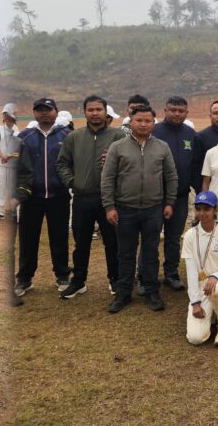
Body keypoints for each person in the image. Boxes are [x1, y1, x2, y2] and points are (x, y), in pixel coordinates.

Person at [103, 105, 179, 313]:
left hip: (153, 210)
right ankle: (123, 293)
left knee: (150, 253)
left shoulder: (162, 147)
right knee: (125, 253)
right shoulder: (117, 147)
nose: (144, 124)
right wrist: (109, 206)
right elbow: (108, 178)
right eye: (139, 120)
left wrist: (170, 202)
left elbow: (171, 177)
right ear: (131, 121)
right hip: (124, 209)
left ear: (154, 123)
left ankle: (152, 291)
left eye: (148, 121)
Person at [56, 95, 124, 299]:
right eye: (90, 109)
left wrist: (115, 164)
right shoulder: (74, 137)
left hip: (109, 200)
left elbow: (128, 165)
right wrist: (72, 182)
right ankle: (78, 281)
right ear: (84, 112)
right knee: (81, 242)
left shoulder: (118, 136)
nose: (95, 113)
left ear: (106, 112)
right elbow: (62, 164)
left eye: (99, 109)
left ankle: (115, 280)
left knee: (112, 242)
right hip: (82, 199)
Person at [13, 98, 72, 297]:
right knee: (28, 239)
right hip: (31, 197)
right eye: (39, 110)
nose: (44, 113)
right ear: (34, 113)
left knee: (59, 237)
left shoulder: (68, 135)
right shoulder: (24, 137)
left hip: (59, 196)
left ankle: (63, 275)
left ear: (56, 112)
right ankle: (24, 278)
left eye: (48, 109)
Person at [153, 96, 200, 291]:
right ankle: (146, 275)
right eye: (173, 110)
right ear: (165, 110)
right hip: (155, 196)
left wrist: (199, 193)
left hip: (180, 197)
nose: (177, 114)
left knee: (173, 237)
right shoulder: (154, 132)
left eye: (181, 111)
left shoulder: (191, 134)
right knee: (151, 237)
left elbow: (195, 165)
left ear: (186, 113)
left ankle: (171, 273)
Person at [183, 191, 218, 346]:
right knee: (195, 338)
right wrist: (195, 303)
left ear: (216, 210)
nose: (202, 213)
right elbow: (191, 272)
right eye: (198, 209)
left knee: (217, 290)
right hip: (202, 288)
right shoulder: (190, 235)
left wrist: (215, 276)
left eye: (206, 209)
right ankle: (212, 311)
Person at [0, 103, 20, 220]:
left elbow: (19, 149)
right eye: (5, 115)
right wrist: (2, 155)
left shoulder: (17, 131)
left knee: (14, 189)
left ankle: (15, 212)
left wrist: (10, 156)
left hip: (13, 165)